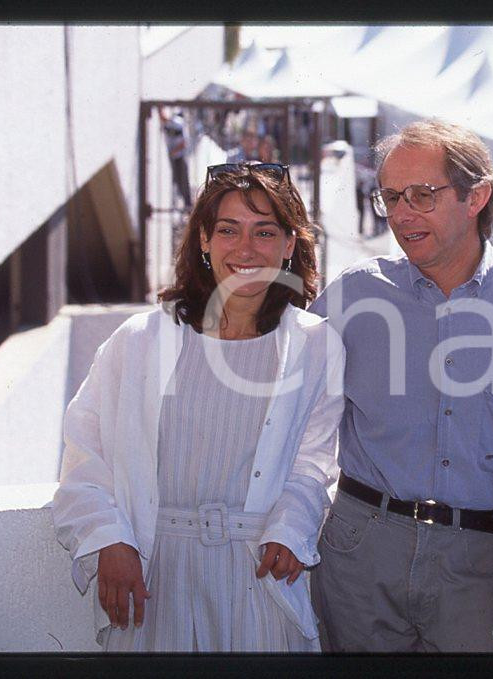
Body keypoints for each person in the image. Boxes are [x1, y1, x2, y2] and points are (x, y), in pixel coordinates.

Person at [50, 162, 345, 652]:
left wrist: (292, 529)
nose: (245, 249)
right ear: (203, 240)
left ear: (289, 246)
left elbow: (315, 462)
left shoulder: (317, 346)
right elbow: (85, 450)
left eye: (264, 232)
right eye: (227, 230)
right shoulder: (140, 340)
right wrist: (108, 539)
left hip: (260, 578)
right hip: (156, 575)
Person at [307, 119, 493, 652]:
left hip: (480, 561)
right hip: (360, 553)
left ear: (476, 196)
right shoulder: (355, 294)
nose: (402, 214)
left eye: (422, 195)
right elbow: (282, 402)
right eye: (390, 197)